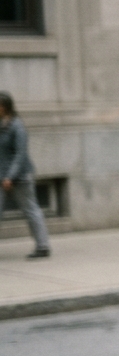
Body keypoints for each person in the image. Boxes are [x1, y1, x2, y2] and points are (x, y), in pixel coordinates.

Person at [0, 92, 50, 259]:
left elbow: (20, 154)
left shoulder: (17, 126)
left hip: (20, 177)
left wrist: (10, 177)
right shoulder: (1, 125)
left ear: (5, 107)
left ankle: (43, 246)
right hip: (1, 176)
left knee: (30, 209)